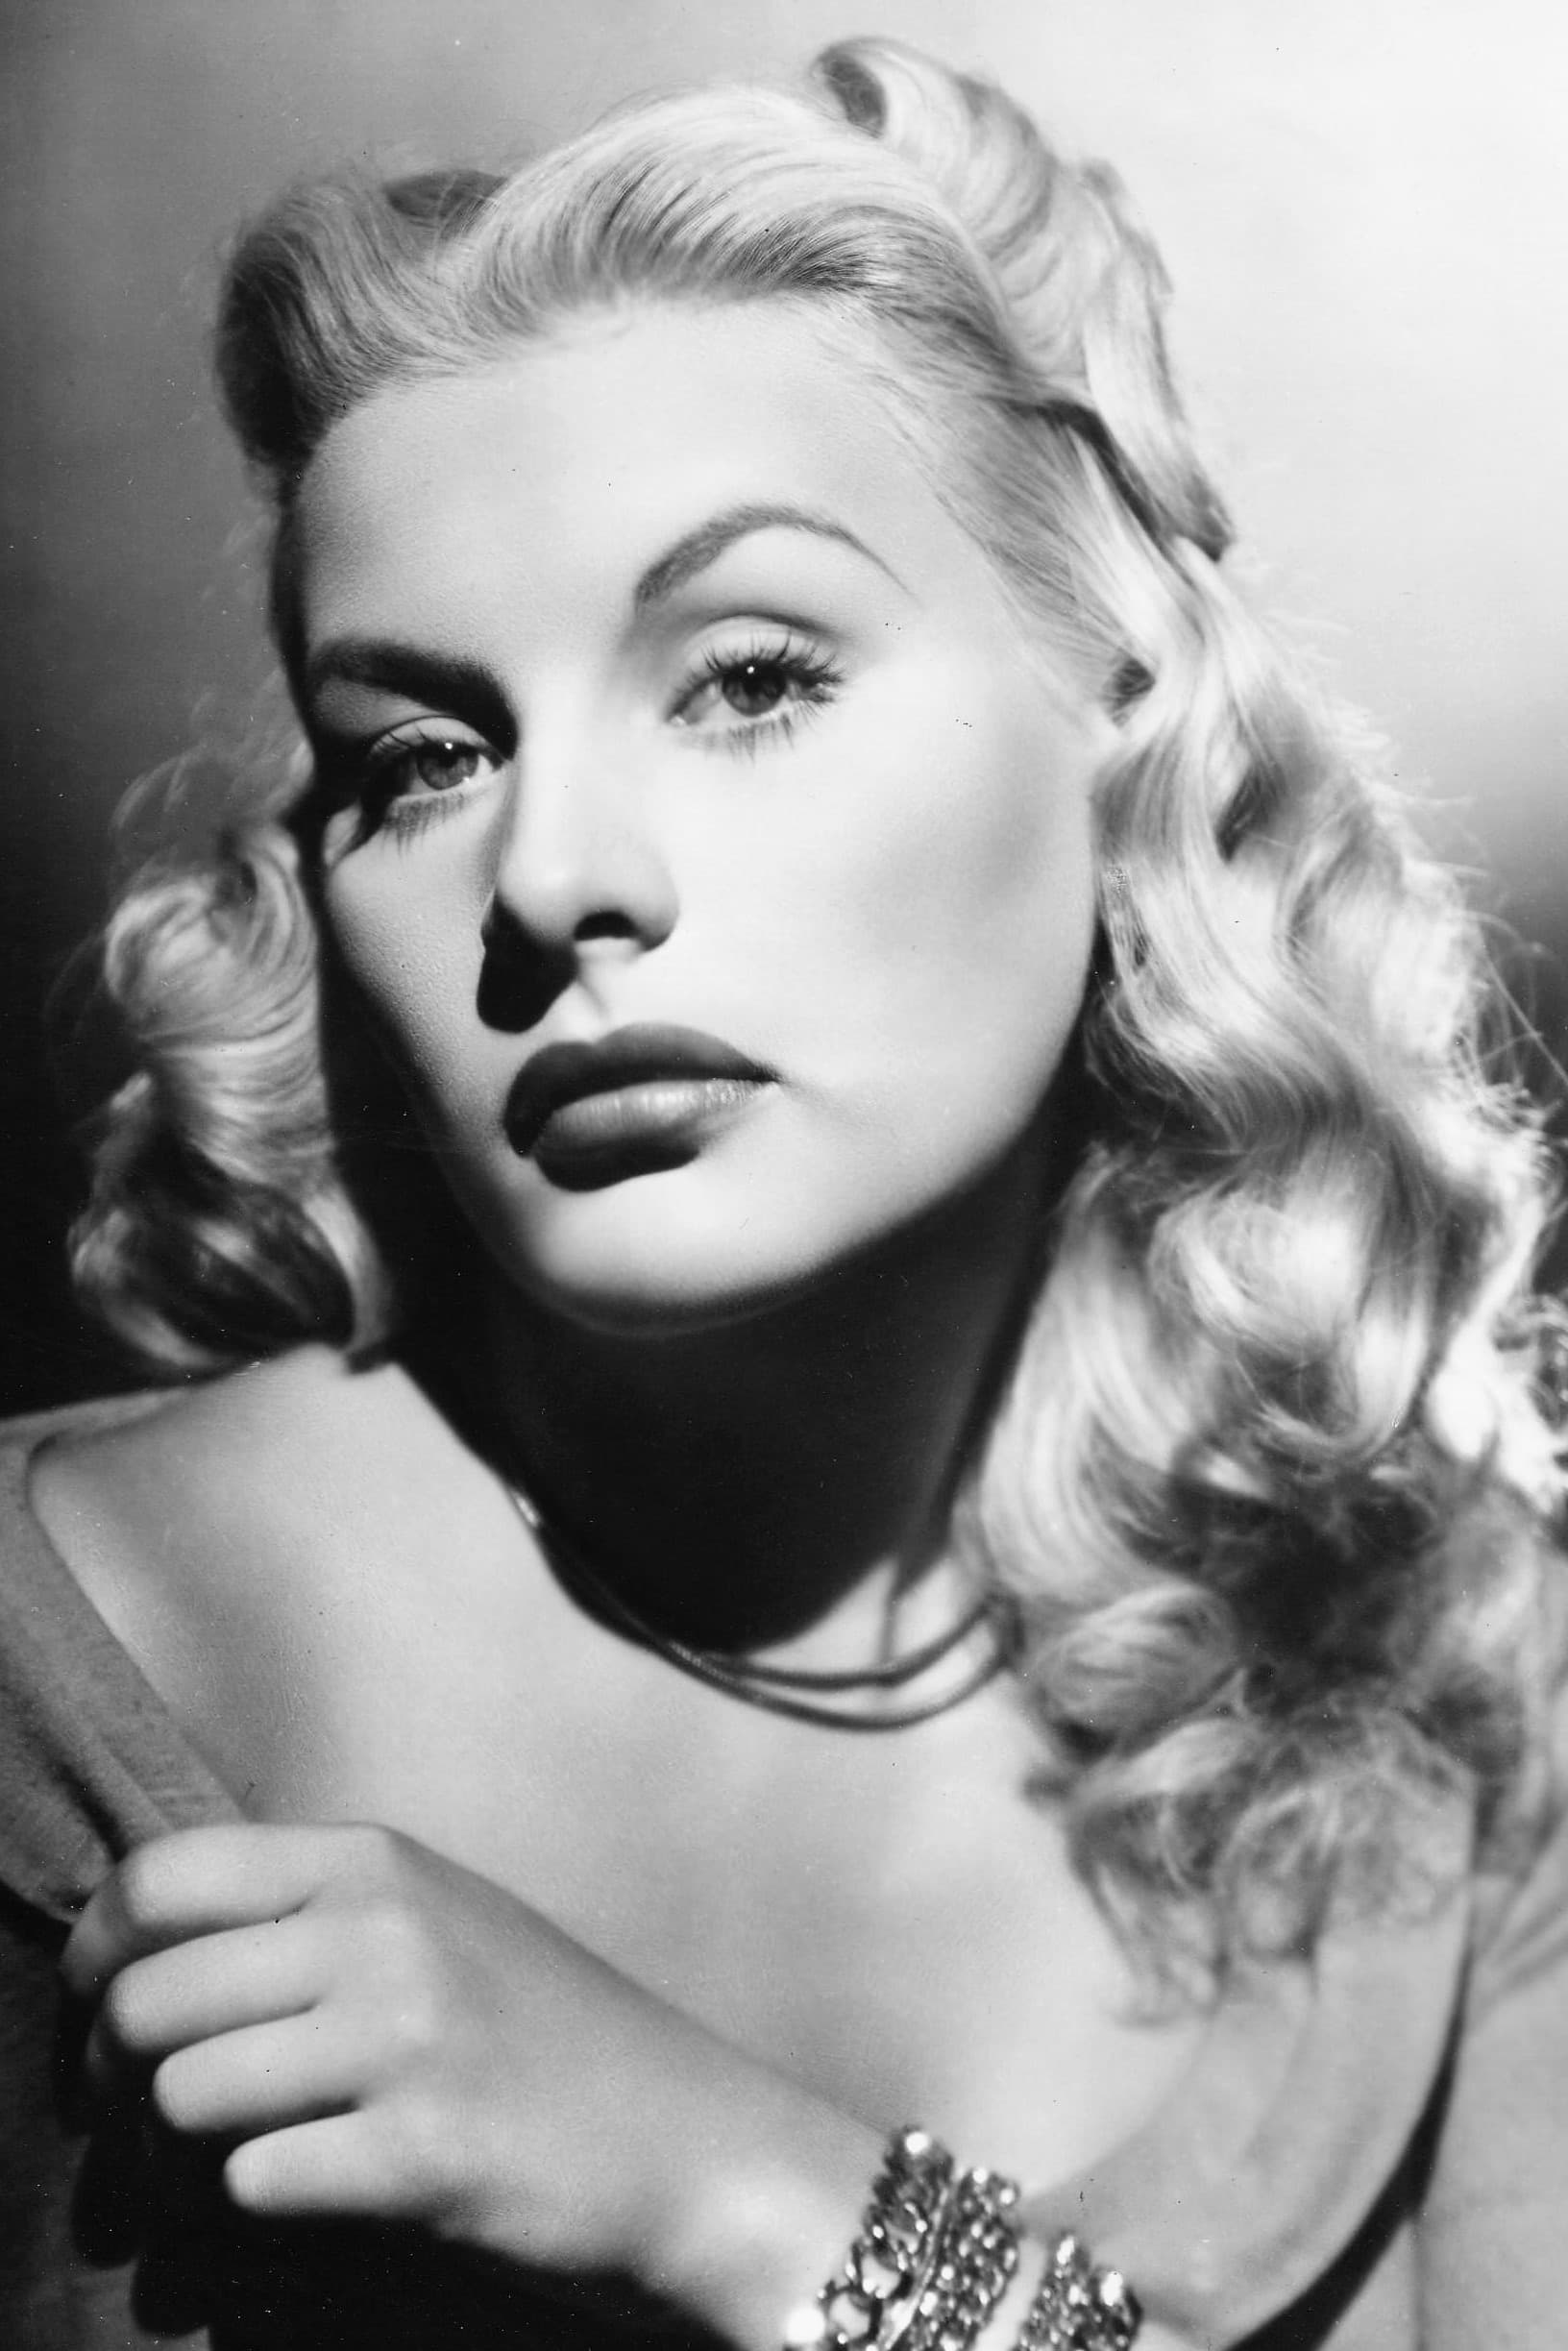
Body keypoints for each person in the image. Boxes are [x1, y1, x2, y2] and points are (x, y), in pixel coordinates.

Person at [0, 35, 1563, 2351]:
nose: (555, 874)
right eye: (421, 758)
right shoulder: (52, 1681)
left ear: (1122, 730)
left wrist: (749, 2193)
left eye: (745, 677)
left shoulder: (1470, 1687)